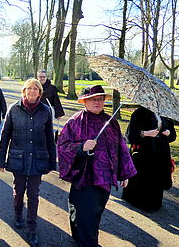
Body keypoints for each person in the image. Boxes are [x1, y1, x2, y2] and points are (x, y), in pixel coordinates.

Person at [57, 85, 137, 247]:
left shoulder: (111, 122)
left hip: (105, 179)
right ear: (85, 101)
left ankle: (81, 236)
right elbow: (62, 146)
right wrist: (81, 147)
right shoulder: (75, 122)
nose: (97, 102)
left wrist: (124, 173)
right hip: (84, 178)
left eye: (100, 99)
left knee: (95, 213)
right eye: (93, 99)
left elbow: (121, 148)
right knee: (86, 214)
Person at [0, 78, 56, 247]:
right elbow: (5, 136)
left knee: (34, 194)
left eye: (35, 89)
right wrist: (1, 159)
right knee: (18, 191)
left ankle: (32, 228)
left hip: (38, 159)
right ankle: (17, 214)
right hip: (18, 159)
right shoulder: (13, 109)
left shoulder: (45, 111)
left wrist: (53, 162)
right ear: (24, 91)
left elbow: (49, 138)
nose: (32, 92)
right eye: (29, 89)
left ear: (39, 92)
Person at [122, 107, 176, 212]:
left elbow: (173, 136)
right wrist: (146, 133)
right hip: (144, 153)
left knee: (157, 179)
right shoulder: (139, 113)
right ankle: (137, 201)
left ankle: (154, 204)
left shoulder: (166, 114)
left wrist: (169, 133)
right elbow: (130, 135)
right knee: (143, 178)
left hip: (161, 153)